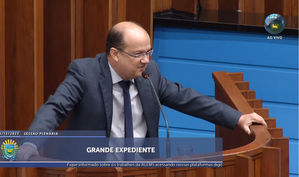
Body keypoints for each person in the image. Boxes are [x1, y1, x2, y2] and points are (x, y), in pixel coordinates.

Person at [17, 21, 267, 161]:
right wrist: (30, 142)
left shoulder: (150, 74)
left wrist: (237, 117)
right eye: (137, 54)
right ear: (114, 54)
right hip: (91, 168)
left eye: (148, 52)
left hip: (142, 168)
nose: (145, 60)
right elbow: (55, 107)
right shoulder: (85, 72)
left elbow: (187, 98)